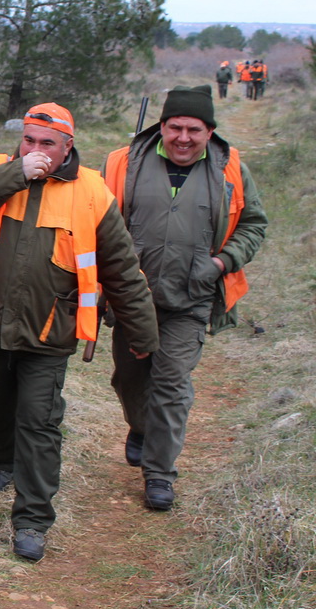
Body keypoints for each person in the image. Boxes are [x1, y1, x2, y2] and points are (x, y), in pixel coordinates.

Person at [0, 103, 159, 561]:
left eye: (47, 143)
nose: (36, 149)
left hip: (50, 332)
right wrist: (16, 174)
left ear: (68, 147)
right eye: (29, 140)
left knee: (39, 422)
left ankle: (32, 519)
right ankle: (3, 460)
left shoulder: (92, 192)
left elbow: (123, 270)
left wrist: (143, 334)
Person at [102, 85, 267, 510]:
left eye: (194, 130)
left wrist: (221, 262)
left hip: (191, 299)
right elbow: (97, 221)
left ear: (210, 132)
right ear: (162, 126)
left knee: (172, 384)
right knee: (129, 379)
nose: (183, 138)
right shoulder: (124, 162)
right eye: (175, 127)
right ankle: (141, 427)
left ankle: (159, 473)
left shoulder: (230, 169)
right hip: (132, 297)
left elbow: (253, 224)